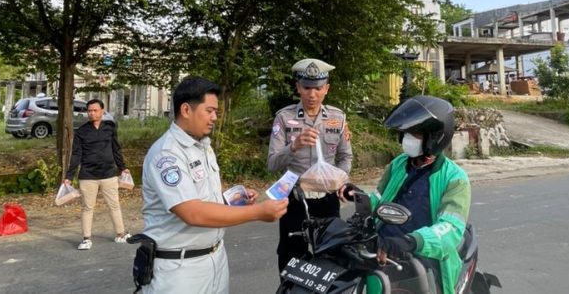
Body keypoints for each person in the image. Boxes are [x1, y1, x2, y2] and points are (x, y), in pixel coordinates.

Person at [141, 76, 288, 294]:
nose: (214, 117)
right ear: (186, 110)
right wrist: (258, 212)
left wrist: (233, 199)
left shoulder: (202, 146)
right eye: (209, 111)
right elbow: (192, 212)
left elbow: (204, 196)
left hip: (215, 259)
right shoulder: (167, 154)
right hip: (180, 269)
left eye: (216, 112)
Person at [338, 95, 470, 294]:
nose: (408, 138)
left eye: (415, 133)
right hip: (383, 249)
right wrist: (358, 195)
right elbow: (380, 200)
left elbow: (450, 229)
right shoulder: (399, 164)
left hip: (423, 259)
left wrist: (411, 242)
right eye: (406, 133)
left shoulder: (455, 178)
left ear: (435, 137)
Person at [268, 58, 353, 271]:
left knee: (331, 260)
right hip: (295, 200)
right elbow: (272, 163)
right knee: (291, 260)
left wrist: (340, 180)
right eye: (306, 88)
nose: (312, 94)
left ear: (326, 89)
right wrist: (293, 146)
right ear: (298, 87)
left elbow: (346, 157)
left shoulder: (338, 118)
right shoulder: (284, 118)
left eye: (318, 88)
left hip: (327, 200)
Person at [64, 99, 131, 250]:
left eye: (95, 110)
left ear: (102, 111)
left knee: (114, 205)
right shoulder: (81, 131)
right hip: (88, 176)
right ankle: (86, 239)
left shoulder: (110, 127)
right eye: (89, 111)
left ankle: (120, 234)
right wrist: (69, 176)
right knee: (87, 208)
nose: (92, 113)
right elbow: (76, 155)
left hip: (109, 174)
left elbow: (116, 148)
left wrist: (122, 167)